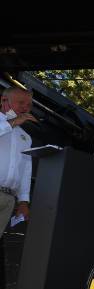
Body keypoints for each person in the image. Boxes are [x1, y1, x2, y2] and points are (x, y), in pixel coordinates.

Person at [0, 87, 36, 236]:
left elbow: (26, 170)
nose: (25, 108)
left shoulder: (25, 137)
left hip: (8, 198)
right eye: (21, 102)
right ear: (4, 101)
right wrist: (12, 122)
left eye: (29, 105)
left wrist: (23, 201)